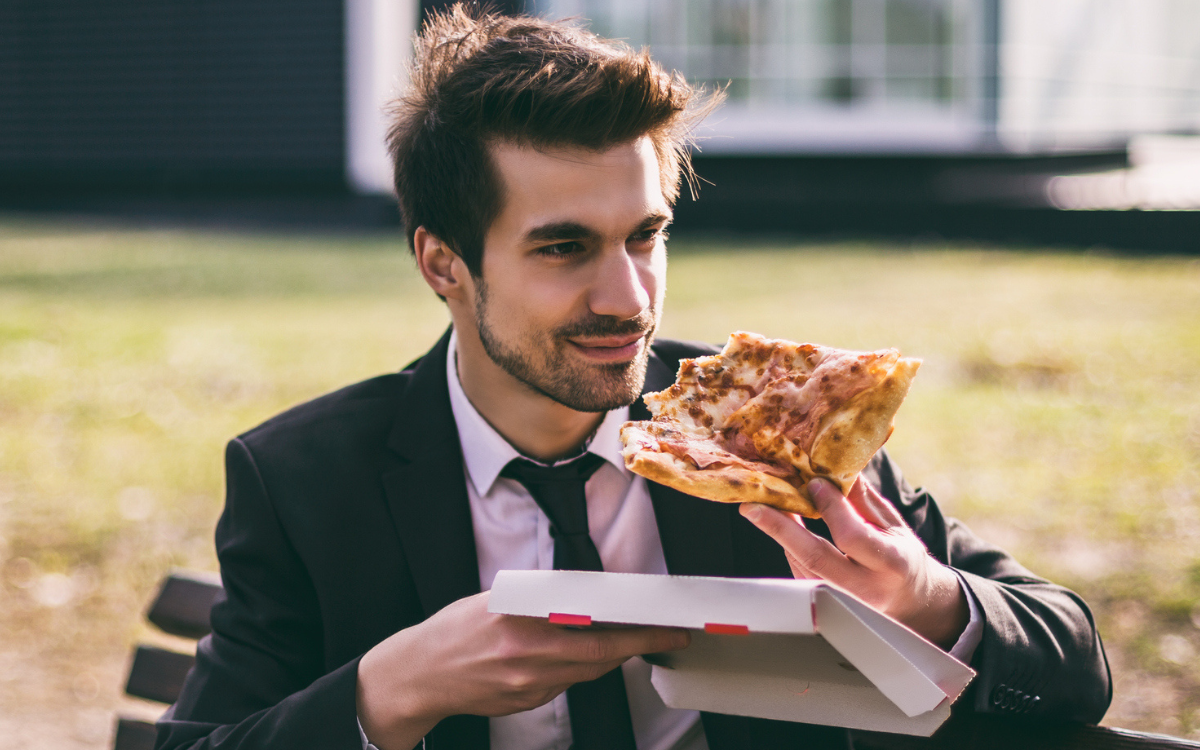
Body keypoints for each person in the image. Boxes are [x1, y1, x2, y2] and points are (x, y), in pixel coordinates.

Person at [156, 7, 1111, 750]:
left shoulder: (775, 427)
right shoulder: (308, 480)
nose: (628, 298)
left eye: (645, 236)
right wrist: (390, 691)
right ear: (445, 266)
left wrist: (930, 600)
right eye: (564, 248)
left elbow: (1073, 662)